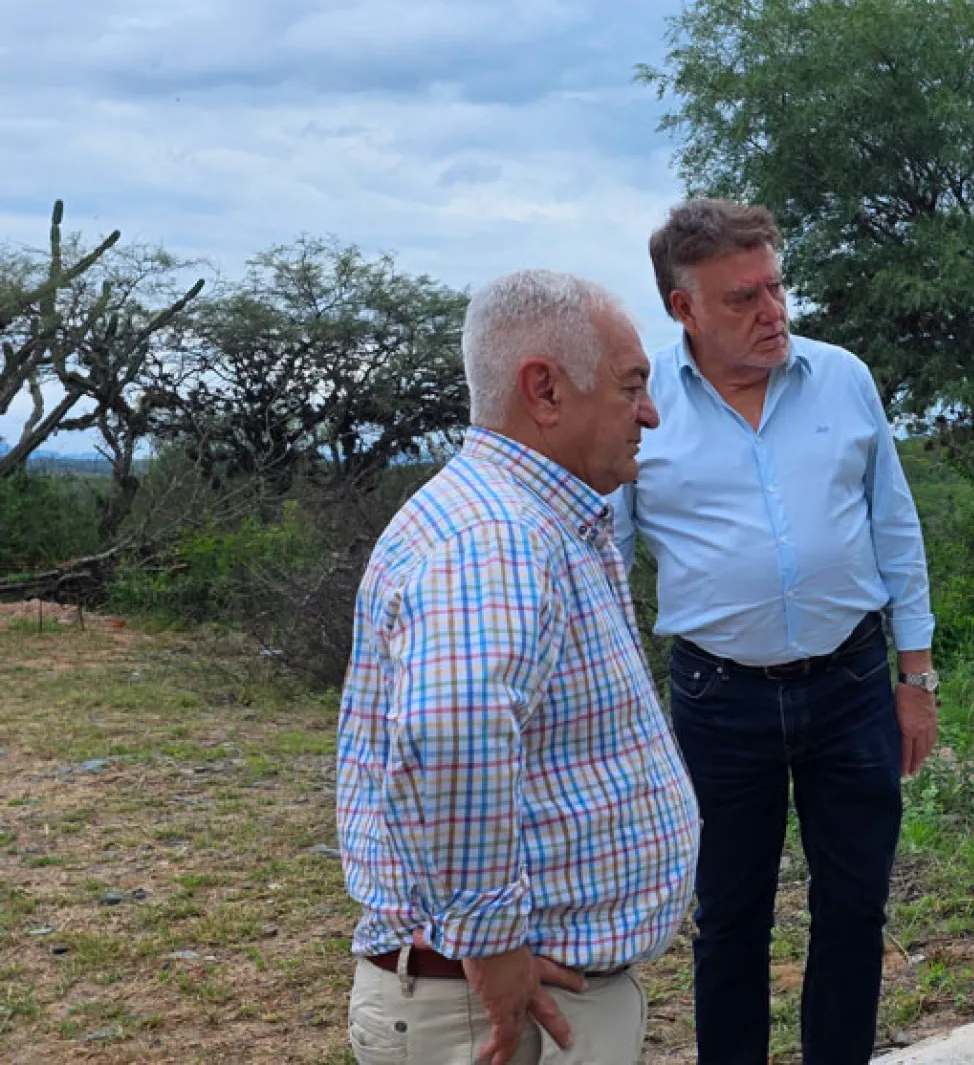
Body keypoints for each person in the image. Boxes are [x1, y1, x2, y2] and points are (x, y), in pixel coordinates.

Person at [335, 269, 700, 1065]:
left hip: (516, 1002)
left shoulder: (521, 519)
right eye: (631, 385)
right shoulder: (496, 535)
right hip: (498, 1010)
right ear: (545, 390)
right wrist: (492, 943)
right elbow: (454, 729)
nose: (649, 412)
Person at [608, 198, 938, 1065]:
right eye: (742, 298)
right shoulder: (642, 407)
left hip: (852, 687)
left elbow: (894, 527)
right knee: (729, 918)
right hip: (718, 699)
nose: (772, 311)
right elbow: (605, 559)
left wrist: (916, 677)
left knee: (855, 908)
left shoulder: (843, 378)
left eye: (776, 287)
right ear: (684, 308)